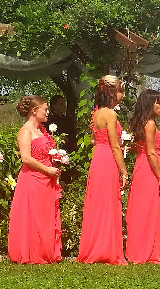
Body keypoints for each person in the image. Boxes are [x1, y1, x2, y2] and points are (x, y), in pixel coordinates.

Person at [77, 76, 129, 264]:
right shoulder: (111, 114)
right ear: (113, 93)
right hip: (108, 158)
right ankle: (106, 249)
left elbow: (93, 140)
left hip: (98, 157)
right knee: (108, 202)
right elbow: (115, 146)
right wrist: (124, 171)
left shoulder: (97, 113)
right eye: (121, 91)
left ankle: (96, 246)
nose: (122, 95)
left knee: (98, 203)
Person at [8, 95, 64, 264]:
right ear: (34, 111)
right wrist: (47, 169)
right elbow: (26, 158)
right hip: (33, 179)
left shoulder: (41, 131)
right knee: (33, 216)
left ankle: (45, 250)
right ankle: (32, 251)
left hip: (47, 179)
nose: (47, 112)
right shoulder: (25, 131)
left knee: (45, 216)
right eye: (44, 109)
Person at [125, 88, 160, 264]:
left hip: (141, 165)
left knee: (143, 209)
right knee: (149, 209)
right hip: (150, 170)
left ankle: (143, 248)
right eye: (158, 102)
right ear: (149, 104)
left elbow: (141, 148)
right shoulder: (150, 124)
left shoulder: (143, 122)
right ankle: (148, 250)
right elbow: (151, 152)